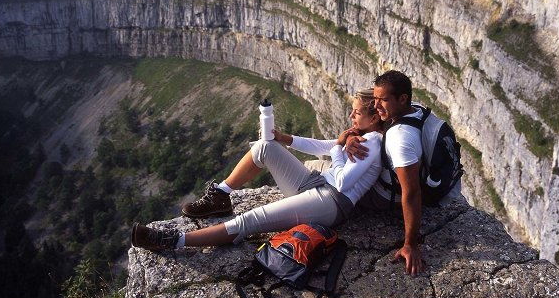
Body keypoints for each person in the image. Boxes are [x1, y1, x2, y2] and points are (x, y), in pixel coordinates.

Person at [131, 89, 384, 252]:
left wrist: (340, 148)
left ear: (374, 119)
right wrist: (281, 137)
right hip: (317, 183)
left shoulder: (371, 143)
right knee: (265, 146)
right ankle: (221, 194)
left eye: (357, 112)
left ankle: (174, 240)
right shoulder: (359, 134)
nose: (351, 115)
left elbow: (340, 181)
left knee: (251, 220)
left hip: (330, 202)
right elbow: (324, 146)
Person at [346, 70, 463, 277]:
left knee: (324, 178)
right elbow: (376, 123)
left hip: (383, 196)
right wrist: (351, 136)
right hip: (394, 183)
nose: (376, 105)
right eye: (375, 99)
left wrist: (410, 244)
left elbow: (411, 192)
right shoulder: (414, 110)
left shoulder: (401, 139)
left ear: (402, 99)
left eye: (383, 100)